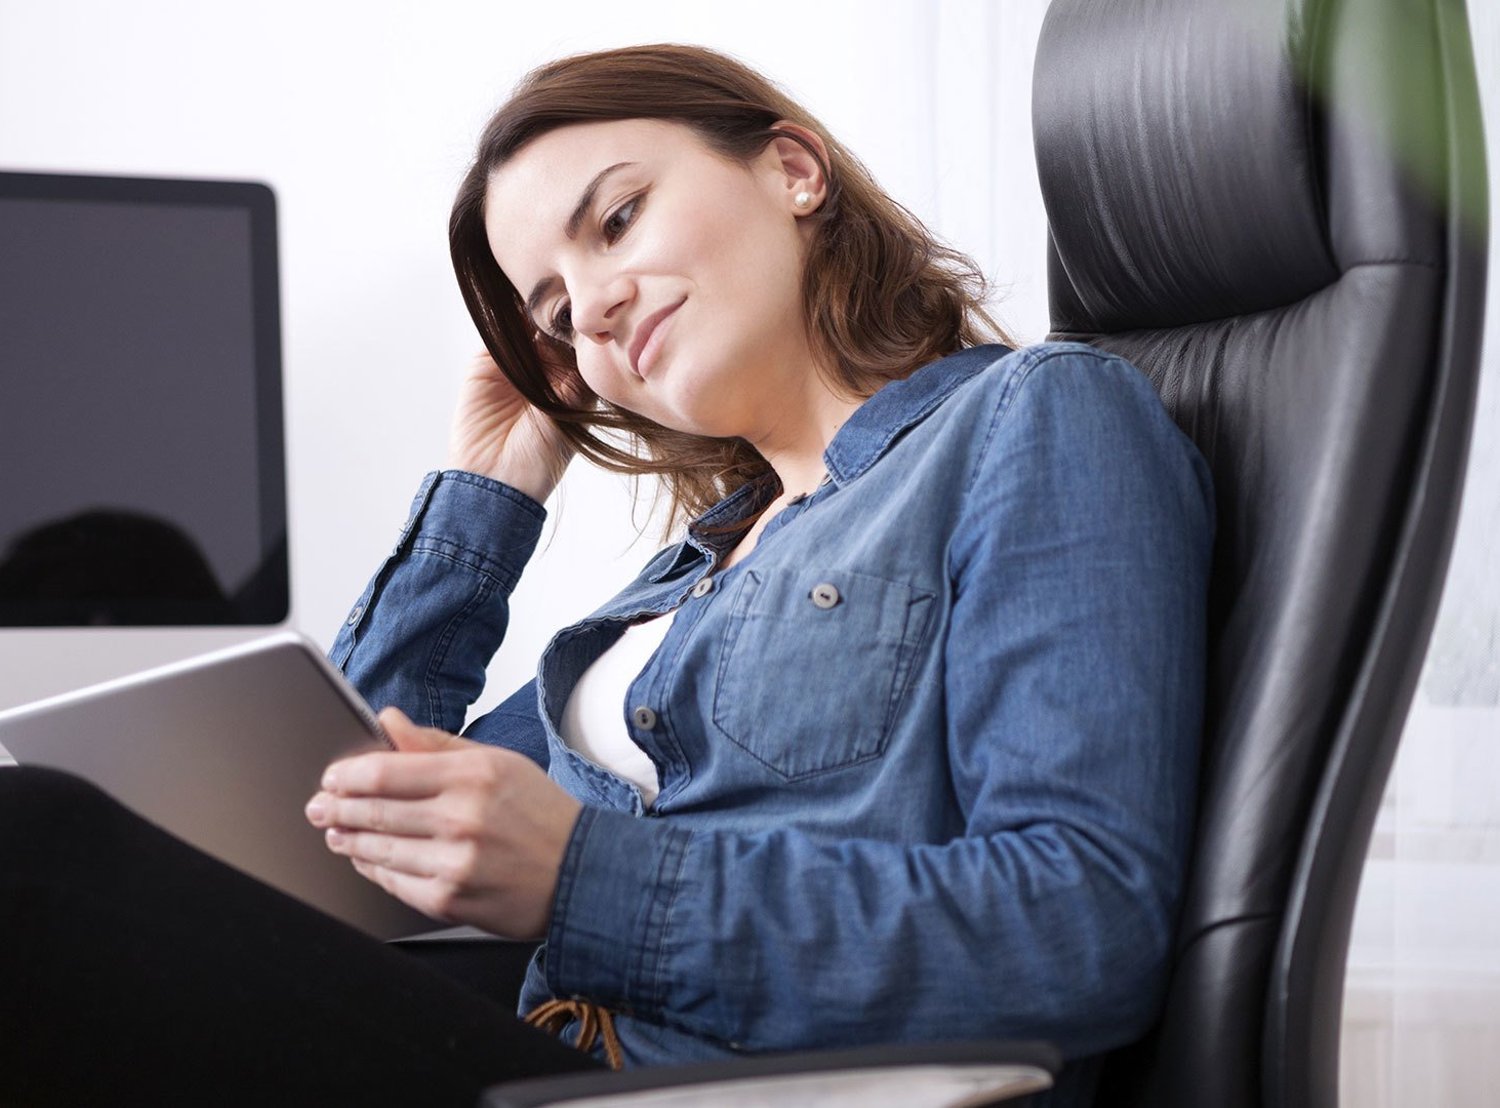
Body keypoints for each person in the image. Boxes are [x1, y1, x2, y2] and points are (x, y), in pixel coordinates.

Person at [0, 44, 1214, 1108]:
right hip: (543, 1054)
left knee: (29, 851)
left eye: (618, 220)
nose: (594, 306)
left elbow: (1078, 921)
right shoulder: (682, 576)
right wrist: (489, 490)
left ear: (794, 170)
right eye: (554, 309)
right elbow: (346, 821)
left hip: (730, 1089)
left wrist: (580, 875)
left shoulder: (1030, 420)